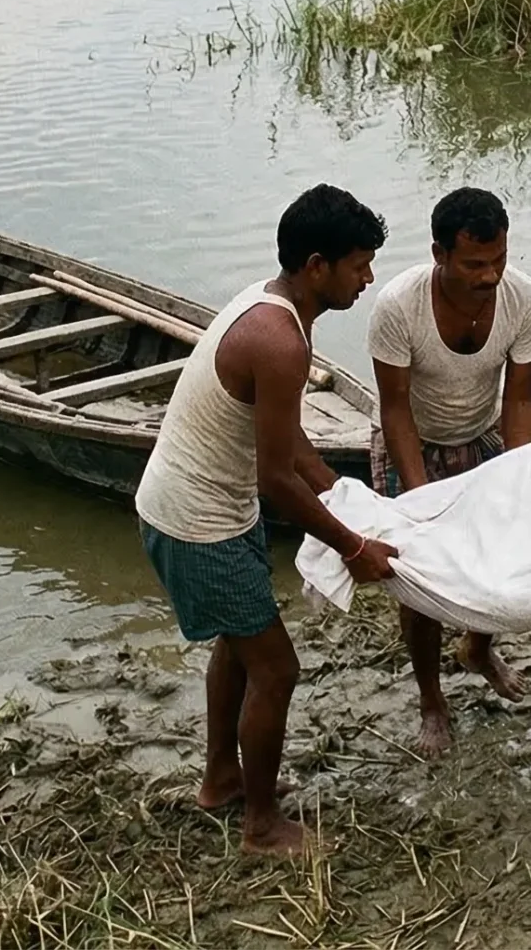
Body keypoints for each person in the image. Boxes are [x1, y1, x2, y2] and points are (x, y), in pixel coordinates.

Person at [135, 185, 399, 857]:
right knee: (276, 668)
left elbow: (286, 445)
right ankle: (260, 825)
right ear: (317, 266)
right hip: (198, 522)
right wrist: (354, 546)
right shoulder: (278, 338)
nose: (368, 278)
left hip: (206, 506)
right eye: (360, 264)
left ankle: (222, 778)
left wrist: (340, 490)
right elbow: (275, 477)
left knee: (239, 644)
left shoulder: (276, 306)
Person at [366, 187, 531, 755]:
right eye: (473, 263)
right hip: (414, 440)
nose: (489, 275)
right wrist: (424, 502)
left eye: (498, 260)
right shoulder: (399, 308)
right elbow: (395, 407)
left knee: (496, 557)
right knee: (422, 581)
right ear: (439, 254)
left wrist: (522, 474)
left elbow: (520, 398)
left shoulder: (524, 301)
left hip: (485, 431)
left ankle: (478, 646)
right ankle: (431, 700)